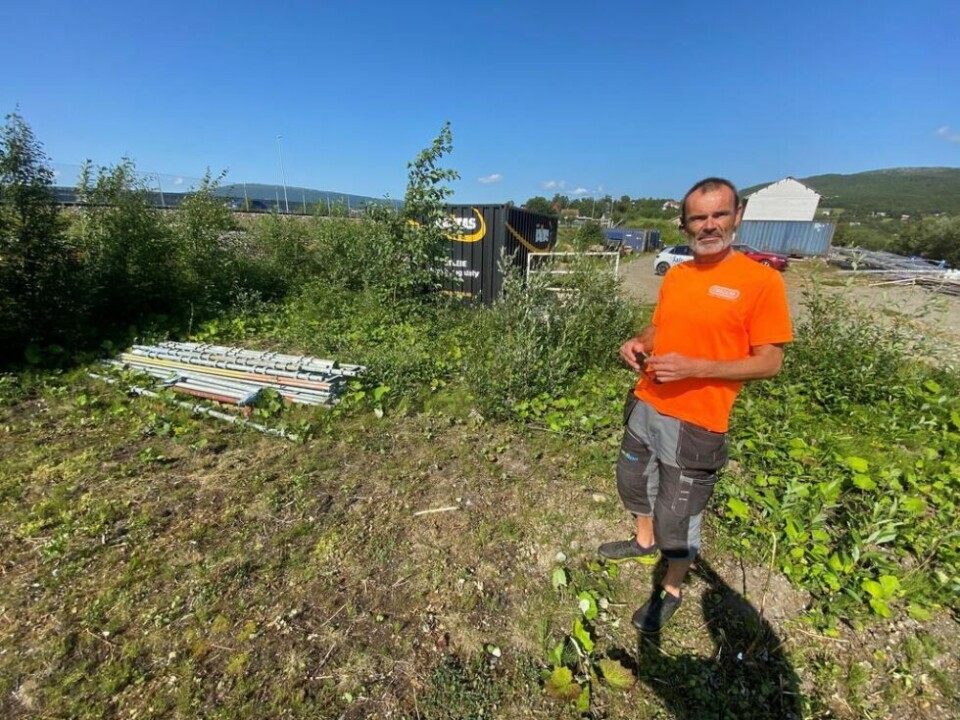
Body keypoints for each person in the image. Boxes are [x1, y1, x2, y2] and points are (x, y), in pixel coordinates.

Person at [598, 177, 793, 633]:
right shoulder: (680, 275)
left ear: (737, 216)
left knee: (677, 514)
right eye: (698, 218)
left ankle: (672, 587)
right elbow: (658, 328)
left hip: (697, 421)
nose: (709, 226)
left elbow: (770, 362)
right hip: (647, 403)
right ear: (684, 224)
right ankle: (642, 541)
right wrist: (637, 342)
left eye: (719, 215)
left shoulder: (760, 282)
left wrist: (694, 369)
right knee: (631, 482)